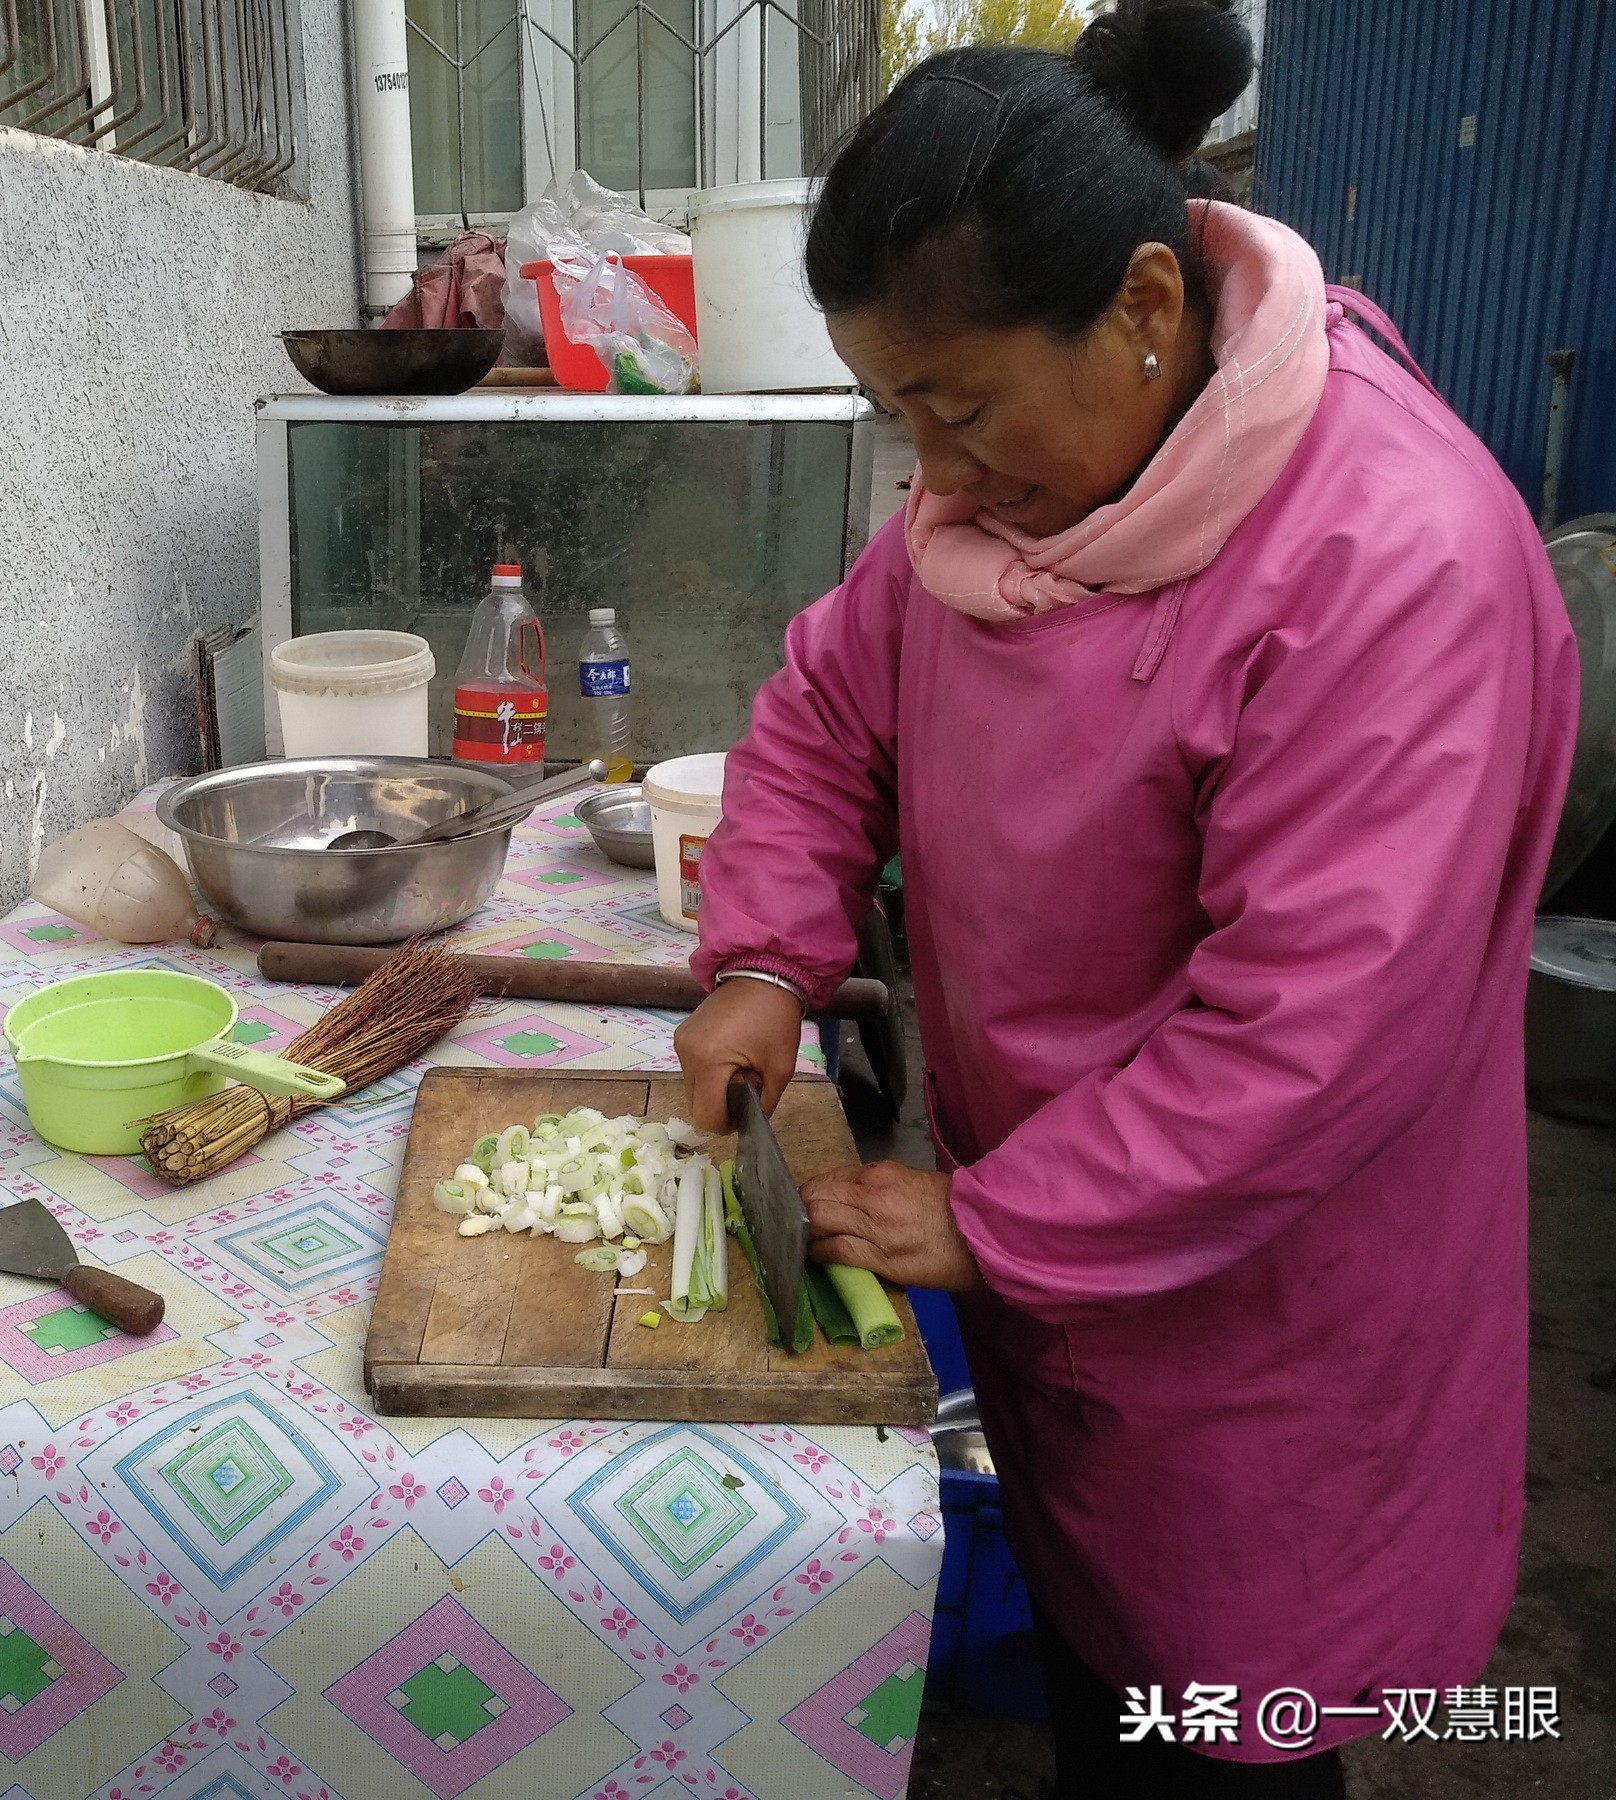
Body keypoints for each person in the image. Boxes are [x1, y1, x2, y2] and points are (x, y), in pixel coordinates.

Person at [673, 2, 1578, 1795]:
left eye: (960, 408)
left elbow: (1311, 1041)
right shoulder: (999, 510)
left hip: (1269, 1307)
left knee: (1241, 1711)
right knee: (1114, 1682)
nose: (933, 472)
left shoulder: (1388, 568)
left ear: (1148, 312)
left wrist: (1001, 1223)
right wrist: (768, 959)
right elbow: (826, 711)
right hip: (1061, 1241)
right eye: (893, 414)